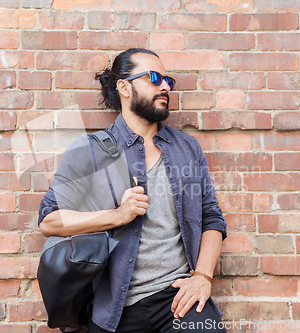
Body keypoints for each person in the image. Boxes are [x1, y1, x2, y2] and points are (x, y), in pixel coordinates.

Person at [38, 48, 227, 333]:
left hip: (178, 299)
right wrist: (117, 215)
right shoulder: (90, 150)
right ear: (124, 87)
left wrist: (202, 276)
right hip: (114, 308)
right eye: (154, 78)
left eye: (168, 80)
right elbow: (49, 221)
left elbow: (211, 217)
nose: (165, 86)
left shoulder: (187, 148)